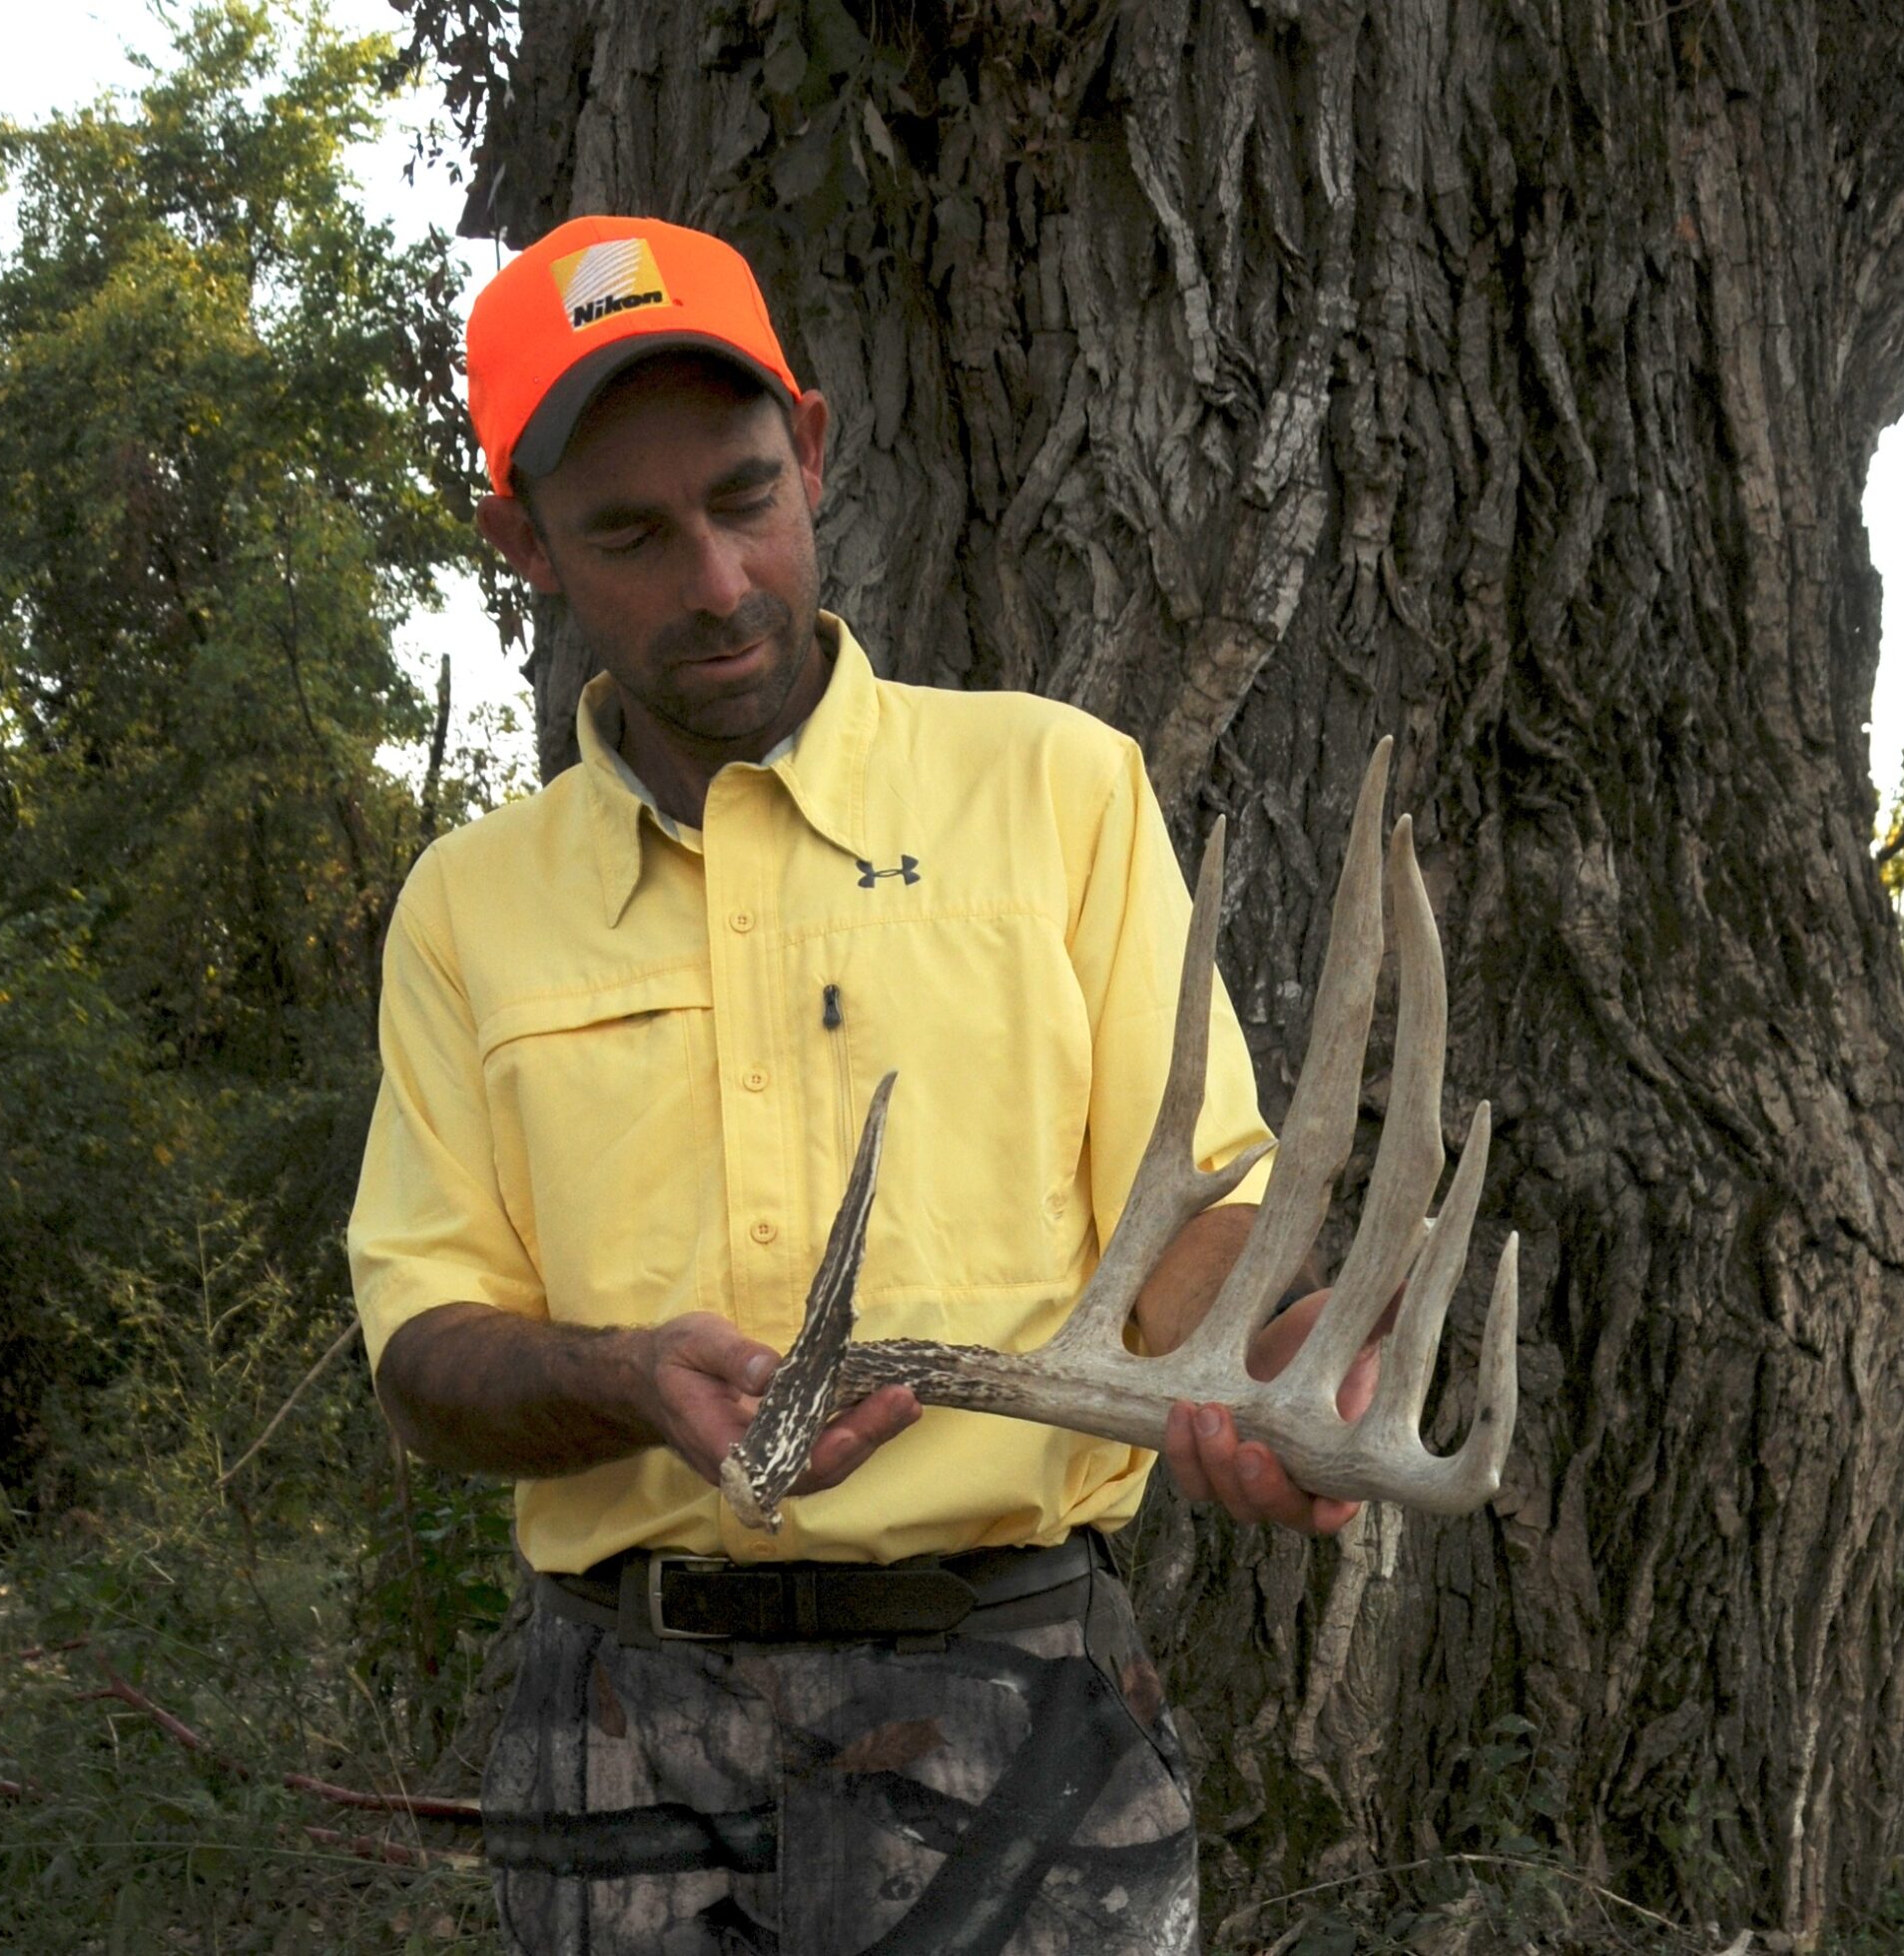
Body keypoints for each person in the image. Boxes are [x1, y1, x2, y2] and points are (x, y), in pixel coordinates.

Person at [348, 214, 1378, 1956]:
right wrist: (621, 1378)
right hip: (623, 1745)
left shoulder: (1056, 793)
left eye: (747, 496)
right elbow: (426, 1357)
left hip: (1018, 1713)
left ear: (812, 447)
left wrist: (1276, 1361)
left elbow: (1189, 1217)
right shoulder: (471, 907)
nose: (721, 582)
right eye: (632, 534)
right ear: (521, 541)